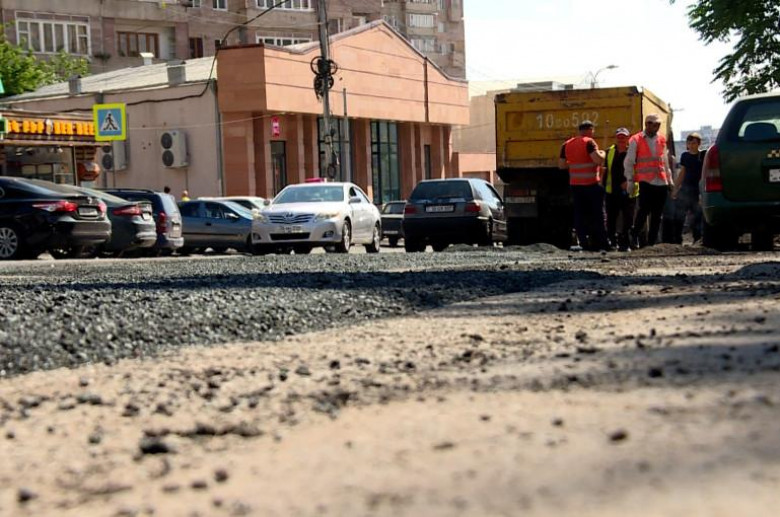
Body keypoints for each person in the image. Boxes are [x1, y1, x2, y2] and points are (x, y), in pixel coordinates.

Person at [559, 120, 609, 251]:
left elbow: (562, 165)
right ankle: (602, 242)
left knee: (580, 214)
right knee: (598, 214)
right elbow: (598, 159)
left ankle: (583, 242)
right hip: (591, 184)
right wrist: (603, 153)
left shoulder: (567, 144)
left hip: (576, 185)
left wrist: (575, 163)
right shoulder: (589, 142)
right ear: (590, 130)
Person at [624, 113, 673, 248]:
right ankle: (634, 234)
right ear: (647, 124)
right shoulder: (636, 139)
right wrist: (630, 180)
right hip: (646, 181)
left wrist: (670, 180)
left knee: (657, 214)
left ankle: (651, 243)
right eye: (653, 124)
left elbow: (665, 162)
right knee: (644, 210)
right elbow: (629, 161)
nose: (656, 126)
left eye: (658, 124)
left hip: (661, 181)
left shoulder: (661, 139)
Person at [602, 127, 638, 251]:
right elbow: (605, 169)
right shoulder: (609, 152)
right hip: (612, 191)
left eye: (624, 137)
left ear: (628, 138)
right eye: (619, 137)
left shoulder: (634, 152)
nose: (621, 139)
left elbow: (639, 170)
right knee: (611, 218)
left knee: (628, 219)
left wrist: (629, 182)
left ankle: (625, 243)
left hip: (629, 191)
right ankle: (612, 242)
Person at [670, 132, 705, 243]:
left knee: (696, 216)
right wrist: (675, 188)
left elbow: (704, 174)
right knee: (679, 215)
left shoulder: (702, 156)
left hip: (697, 190)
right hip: (685, 189)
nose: (691, 145)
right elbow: (682, 172)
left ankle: (697, 239)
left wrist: (703, 192)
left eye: (694, 143)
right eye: (689, 143)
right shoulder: (685, 156)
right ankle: (677, 239)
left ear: (698, 144)